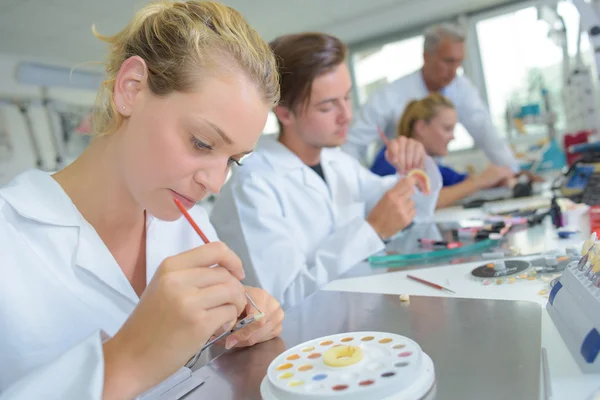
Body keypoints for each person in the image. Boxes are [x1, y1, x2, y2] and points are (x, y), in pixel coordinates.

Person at [0, 2, 285, 399]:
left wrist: (234, 331)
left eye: (232, 160)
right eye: (201, 142)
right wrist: (125, 362)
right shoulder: (9, 236)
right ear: (131, 89)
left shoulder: (191, 227)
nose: (216, 182)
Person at [210, 32, 442, 310]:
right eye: (328, 105)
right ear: (284, 112)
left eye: (347, 98)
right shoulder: (253, 185)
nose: (347, 115)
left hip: (354, 319)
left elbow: (412, 209)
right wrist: (373, 230)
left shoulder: (337, 161)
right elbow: (282, 299)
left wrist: (417, 167)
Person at [343, 23, 519, 172]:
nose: (454, 70)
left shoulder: (461, 87)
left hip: (431, 172)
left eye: (459, 62)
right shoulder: (390, 95)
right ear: (426, 56)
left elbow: (484, 129)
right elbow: (353, 143)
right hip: (401, 173)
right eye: (448, 61)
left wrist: (513, 171)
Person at [370, 93, 515, 208]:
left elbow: (461, 182)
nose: (453, 137)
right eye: (447, 129)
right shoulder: (391, 159)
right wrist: (480, 182)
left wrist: (496, 179)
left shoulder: (433, 167)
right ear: (421, 128)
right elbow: (422, 202)